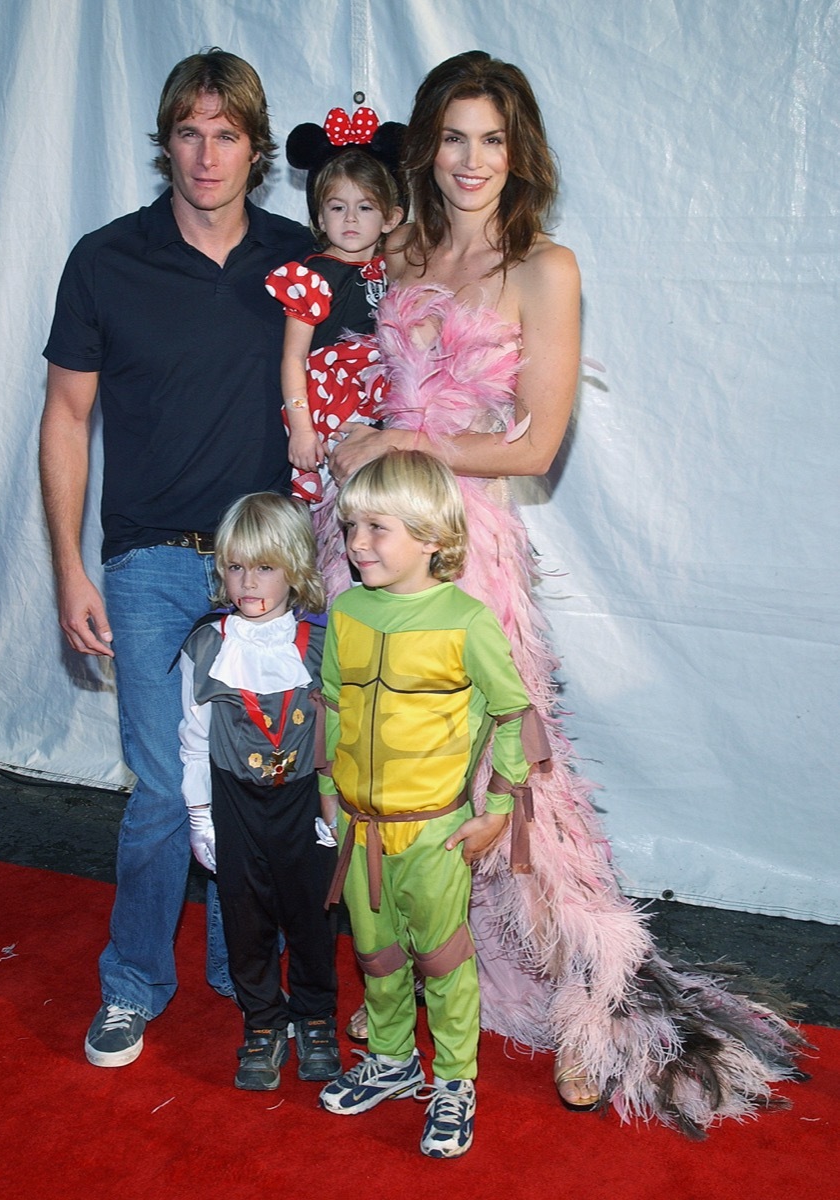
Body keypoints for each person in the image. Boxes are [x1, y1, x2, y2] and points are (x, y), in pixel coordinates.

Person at [325, 50, 805, 1136]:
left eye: (492, 138)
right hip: (366, 538)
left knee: (518, 781)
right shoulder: (398, 247)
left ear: (520, 150)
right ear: (426, 144)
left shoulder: (547, 266)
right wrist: (350, 436)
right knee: (394, 770)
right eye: (453, 136)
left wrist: (407, 436)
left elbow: (538, 443)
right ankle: (426, 992)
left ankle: (601, 1015)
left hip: (469, 551)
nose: (471, 159)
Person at [39, 47, 313, 1068]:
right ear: (167, 144)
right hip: (148, 562)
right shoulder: (105, 259)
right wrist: (68, 565)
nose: (207, 154)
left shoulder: (299, 260)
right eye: (190, 133)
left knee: (264, 781)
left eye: (227, 133)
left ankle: (241, 967)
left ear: (254, 147)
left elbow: (371, 360)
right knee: (162, 789)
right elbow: (67, 418)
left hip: (269, 572)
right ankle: (132, 980)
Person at [318, 450, 550, 1159]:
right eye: (352, 525)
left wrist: (501, 814)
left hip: (437, 835)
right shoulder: (346, 611)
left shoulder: (467, 622)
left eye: (377, 527)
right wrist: (327, 794)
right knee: (377, 955)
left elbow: (518, 717)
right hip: (360, 833)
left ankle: (454, 1080)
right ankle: (391, 1061)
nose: (358, 542)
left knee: (445, 961)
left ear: (432, 538)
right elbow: (330, 704)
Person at [178, 492, 339, 1090]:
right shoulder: (207, 644)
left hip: (304, 803)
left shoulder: (320, 643)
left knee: (313, 917)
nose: (248, 580)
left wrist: (337, 804)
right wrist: (201, 818)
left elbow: (340, 731)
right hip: (234, 802)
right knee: (245, 920)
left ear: (295, 568)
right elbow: (193, 740)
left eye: (265, 566)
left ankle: (316, 1017)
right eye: (236, 565)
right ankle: (264, 1022)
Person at [265, 141, 403, 505]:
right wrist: (300, 429)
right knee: (338, 503)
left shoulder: (395, 270)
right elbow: (293, 357)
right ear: (321, 219)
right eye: (338, 207)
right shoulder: (314, 275)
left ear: (391, 217)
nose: (351, 219)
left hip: (382, 399)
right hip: (331, 401)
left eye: (365, 207)